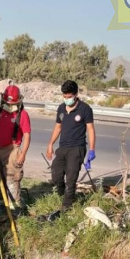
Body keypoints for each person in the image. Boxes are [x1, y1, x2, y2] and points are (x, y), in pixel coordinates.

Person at [46, 80, 96, 211]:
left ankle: (67, 206)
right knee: (56, 175)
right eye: (65, 97)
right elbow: (58, 127)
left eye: (69, 97)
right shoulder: (61, 108)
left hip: (77, 148)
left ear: (75, 94)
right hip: (62, 148)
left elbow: (90, 129)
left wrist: (91, 150)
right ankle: (63, 195)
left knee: (71, 178)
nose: (67, 99)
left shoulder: (85, 109)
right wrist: (50, 144)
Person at [0, 84, 31, 209]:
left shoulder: (22, 115)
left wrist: (23, 154)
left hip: (12, 150)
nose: (9, 106)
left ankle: (14, 205)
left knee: (12, 178)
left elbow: (27, 136)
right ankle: (0, 202)